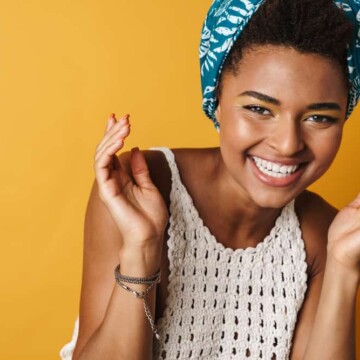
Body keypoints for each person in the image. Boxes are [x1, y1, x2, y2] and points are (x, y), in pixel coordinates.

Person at [60, 0, 360, 359]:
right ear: (216, 100)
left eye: (319, 118)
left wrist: (344, 268)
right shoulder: (140, 188)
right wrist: (141, 249)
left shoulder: (322, 232)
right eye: (259, 109)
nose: (287, 144)